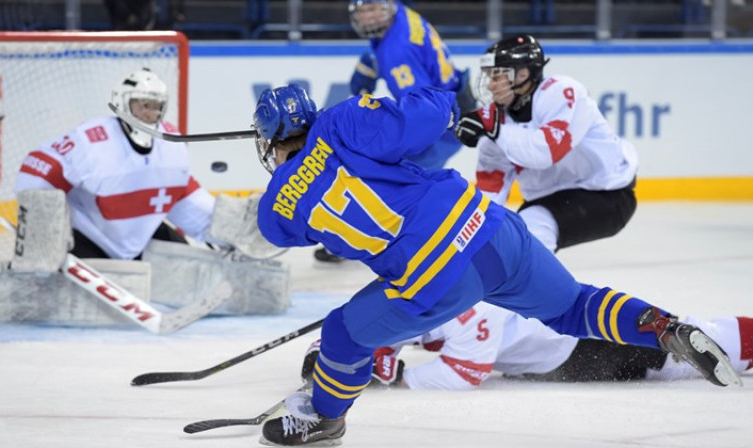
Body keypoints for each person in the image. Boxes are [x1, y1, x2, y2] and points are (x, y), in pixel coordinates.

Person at [250, 84, 740, 446]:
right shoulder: (342, 122)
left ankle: (325, 418)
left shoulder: (276, 206)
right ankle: (659, 326)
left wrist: (302, 170)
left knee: (343, 333)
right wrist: (406, 102)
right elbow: (433, 112)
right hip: (489, 227)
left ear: (270, 142)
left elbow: (283, 231)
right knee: (571, 306)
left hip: (436, 277)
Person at [313, 0, 478, 263]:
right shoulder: (400, 15)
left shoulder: (396, 51)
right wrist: (372, 59)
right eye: (363, 11)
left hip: (442, 125)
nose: (368, 16)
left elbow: (422, 110)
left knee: (378, 179)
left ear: (386, 8)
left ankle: (374, 242)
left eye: (373, 9)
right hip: (454, 106)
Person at [454, 35, 638, 253]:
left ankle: (537, 285)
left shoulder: (561, 93)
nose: (491, 86)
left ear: (522, 74)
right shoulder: (497, 123)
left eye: (496, 76)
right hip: (547, 201)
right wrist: (465, 241)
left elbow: (546, 152)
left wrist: (495, 131)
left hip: (606, 195)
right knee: (513, 237)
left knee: (531, 230)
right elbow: (491, 189)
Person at [301, 302, 753, 389]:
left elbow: (465, 374)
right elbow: (382, 323)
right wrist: (330, 353)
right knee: (675, 341)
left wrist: (402, 378)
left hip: (573, 347)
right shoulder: (425, 298)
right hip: (559, 338)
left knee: (672, 353)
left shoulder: (464, 316)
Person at [15, 68, 215, 260]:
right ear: (122, 103)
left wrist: (221, 227)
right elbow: (36, 173)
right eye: (143, 105)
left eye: (156, 106)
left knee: (186, 267)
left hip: (137, 240)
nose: (150, 114)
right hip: (89, 238)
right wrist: (41, 234)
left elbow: (182, 196)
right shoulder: (91, 142)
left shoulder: (172, 145)